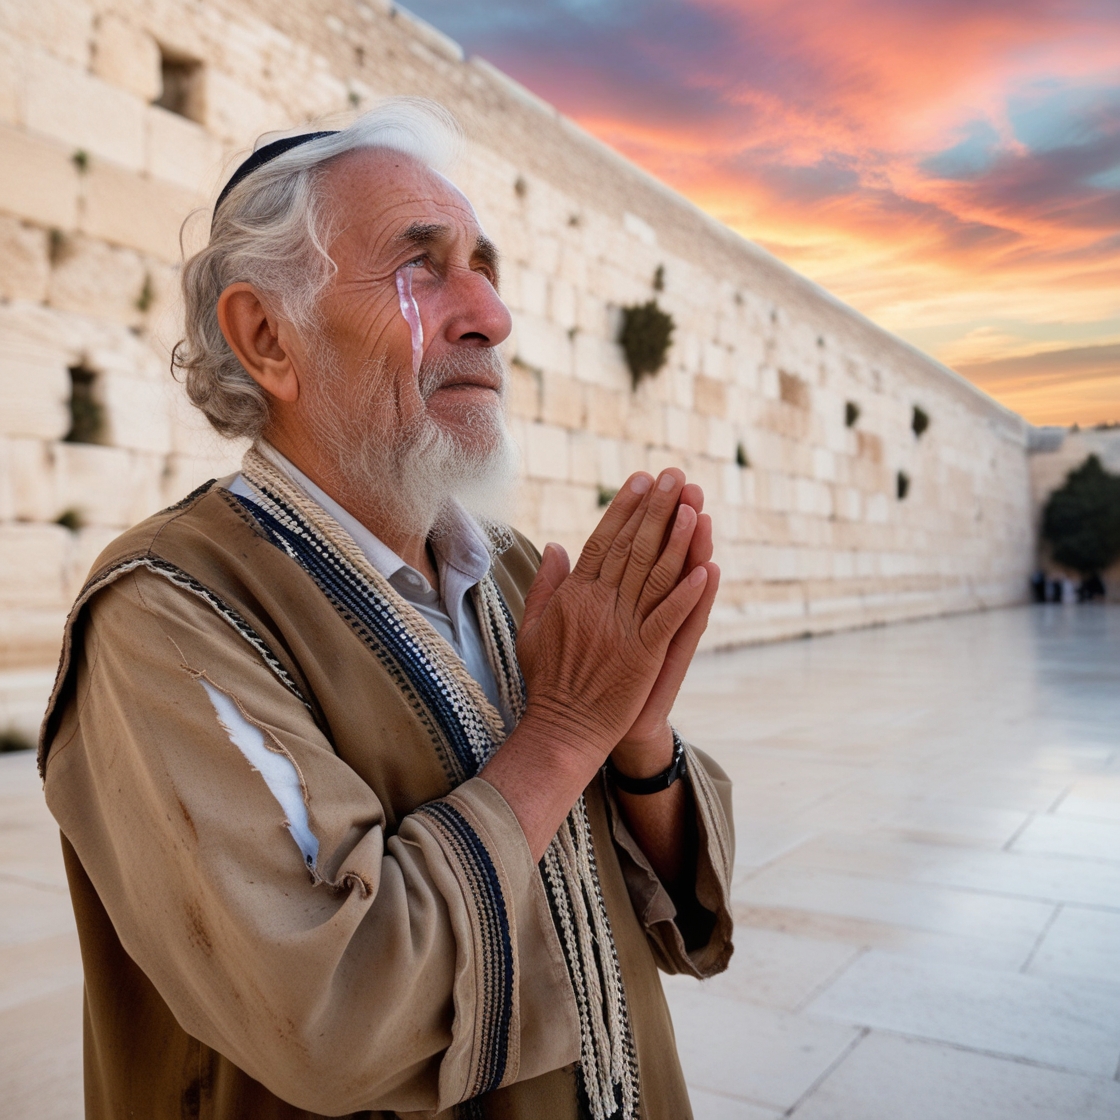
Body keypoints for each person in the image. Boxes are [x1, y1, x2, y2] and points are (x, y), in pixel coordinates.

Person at [38, 99, 733, 1120]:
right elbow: (331, 1011)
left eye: (482, 265)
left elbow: (672, 924)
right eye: (420, 266)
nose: (487, 314)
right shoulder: (167, 616)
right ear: (269, 336)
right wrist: (566, 728)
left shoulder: (508, 573)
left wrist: (636, 743)